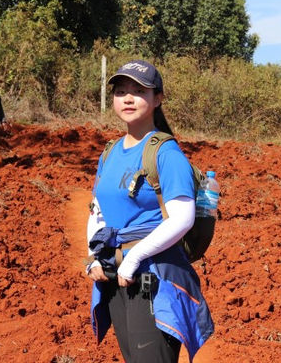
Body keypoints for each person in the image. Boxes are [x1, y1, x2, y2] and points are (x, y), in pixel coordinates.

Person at [86, 60, 213, 363]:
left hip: (152, 276)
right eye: (121, 91)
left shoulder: (166, 154)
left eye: (138, 90)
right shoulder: (110, 152)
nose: (127, 98)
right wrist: (93, 255)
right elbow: (97, 209)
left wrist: (136, 259)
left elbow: (183, 218)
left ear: (158, 99)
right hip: (115, 270)